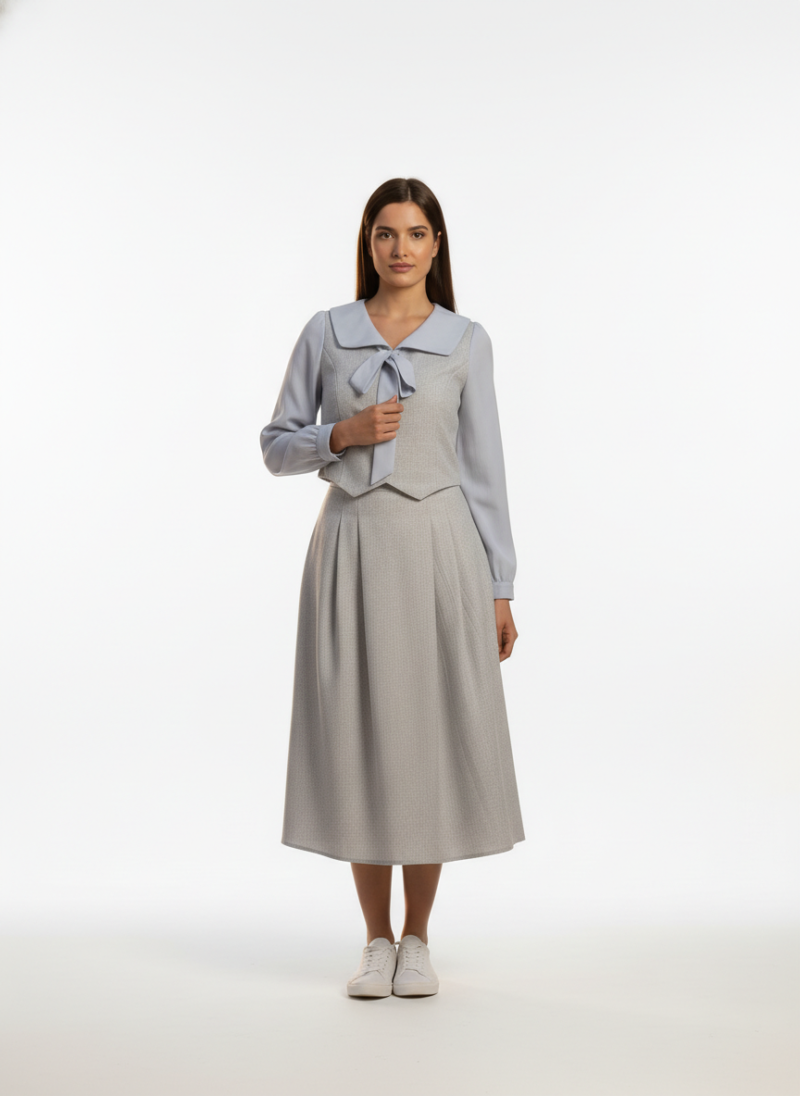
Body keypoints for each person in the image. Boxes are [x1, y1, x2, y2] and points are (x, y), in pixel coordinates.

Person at [259, 177, 525, 999]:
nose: (400, 248)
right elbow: (274, 446)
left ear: (436, 245)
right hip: (354, 546)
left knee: (427, 738)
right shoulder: (327, 332)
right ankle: (374, 938)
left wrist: (500, 586)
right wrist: (338, 433)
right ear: (368, 243)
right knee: (361, 735)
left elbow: (485, 471)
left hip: (441, 552)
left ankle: (418, 938)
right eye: (385, 233)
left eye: (415, 233)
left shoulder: (466, 341)